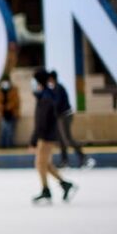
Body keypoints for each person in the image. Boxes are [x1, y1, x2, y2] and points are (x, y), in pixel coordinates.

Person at [30, 69, 77, 204]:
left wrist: (34, 139)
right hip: (47, 135)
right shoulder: (45, 95)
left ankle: (47, 190)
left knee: (40, 163)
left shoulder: (46, 97)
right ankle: (64, 184)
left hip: (46, 136)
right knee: (45, 164)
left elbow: (42, 121)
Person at [48, 70, 95, 169]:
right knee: (61, 139)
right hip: (60, 116)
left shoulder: (59, 88)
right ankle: (64, 161)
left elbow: (57, 104)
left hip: (65, 115)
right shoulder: (55, 88)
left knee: (67, 138)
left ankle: (84, 158)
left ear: (52, 78)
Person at [0, 76, 20, 148]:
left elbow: (16, 101)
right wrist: (1, 108)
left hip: (12, 113)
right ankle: (3, 145)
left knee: (9, 131)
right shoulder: (0, 91)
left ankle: (9, 145)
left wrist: (9, 106)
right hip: (3, 113)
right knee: (3, 131)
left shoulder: (14, 90)